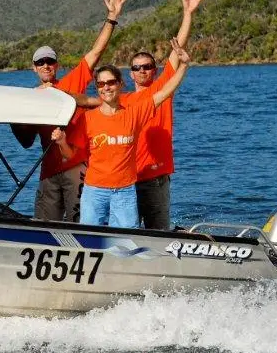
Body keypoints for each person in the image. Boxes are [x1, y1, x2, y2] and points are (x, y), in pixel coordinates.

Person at [12, 0, 127, 222]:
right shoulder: (31, 98)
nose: (46, 65)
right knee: (44, 227)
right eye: (40, 62)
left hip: (77, 167)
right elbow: (26, 141)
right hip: (49, 173)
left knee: (82, 223)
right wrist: (14, 116)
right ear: (34, 68)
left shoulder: (71, 82)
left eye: (50, 62)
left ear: (57, 65)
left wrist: (112, 18)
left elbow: (96, 51)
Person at [54, 38, 191, 228]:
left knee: (127, 243)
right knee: (89, 237)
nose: (106, 87)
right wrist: (61, 142)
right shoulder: (88, 119)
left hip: (124, 192)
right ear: (97, 87)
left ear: (120, 84)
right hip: (94, 191)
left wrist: (184, 64)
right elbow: (69, 155)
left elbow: (166, 91)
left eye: (110, 82)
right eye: (101, 84)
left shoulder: (134, 113)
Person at [121, 0, 205, 229]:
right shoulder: (122, 101)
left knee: (158, 233)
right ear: (131, 74)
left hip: (156, 178)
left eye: (147, 66)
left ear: (154, 70)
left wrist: (188, 13)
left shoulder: (162, 89)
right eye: (137, 67)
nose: (142, 70)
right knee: (126, 235)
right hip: (126, 180)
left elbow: (178, 49)